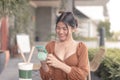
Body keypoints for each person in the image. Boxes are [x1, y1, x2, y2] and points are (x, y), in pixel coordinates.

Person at [39, 12, 89, 80]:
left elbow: (83, 75)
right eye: (58, 28)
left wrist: (60, 65)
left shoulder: (81, 48)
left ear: (73, 29)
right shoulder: (50, 46)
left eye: (64, 29)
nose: (60, 32)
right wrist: (43, 65)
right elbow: (46, 77)